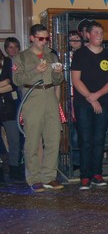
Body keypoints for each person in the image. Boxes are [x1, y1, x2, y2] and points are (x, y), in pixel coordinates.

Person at [12, 24, 65, 192]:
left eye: (46, 38)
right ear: (32, 38)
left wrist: (58, 73)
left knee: (53, 139)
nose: (44, 41)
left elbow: (58, 81)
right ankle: (34, 178)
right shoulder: (21, 57)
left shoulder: (51, 55)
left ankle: (49, 176)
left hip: (50, 96)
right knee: (33, 141)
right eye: (41, 38)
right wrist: (35, 71)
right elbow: (17, 80)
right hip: (32, 98)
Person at [70, 21, 108, 190]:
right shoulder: (80, 54)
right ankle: (85, 176)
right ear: (87, 35)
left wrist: (97, 96)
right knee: (85, 139)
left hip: (102, 102)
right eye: (95, 32)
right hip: (83, 103)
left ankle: (97, 173)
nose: (99, 35)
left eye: (101, 32)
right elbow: (76, 80)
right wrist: (90, 97)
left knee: (99, 139)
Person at [0, 46, 22, 181]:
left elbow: (13, 83)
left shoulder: (8, 62)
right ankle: (3, 167)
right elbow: (7, 83)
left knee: (14, 139)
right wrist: (4, 83)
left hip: (8, 106)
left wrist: (7, 83)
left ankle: (14, 168)